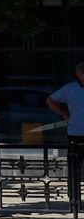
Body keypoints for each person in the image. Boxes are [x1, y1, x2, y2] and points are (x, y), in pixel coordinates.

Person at [46, 61, 84, 208]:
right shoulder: (70, 88)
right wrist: (63, 113)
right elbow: (50, 100)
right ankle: (74, 198)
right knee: (74, 166)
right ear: (78, 74)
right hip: (76, 132)